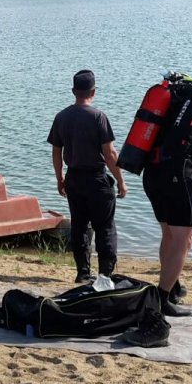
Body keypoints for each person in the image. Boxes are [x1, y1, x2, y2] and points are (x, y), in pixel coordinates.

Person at [125, 66, 192, 348]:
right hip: (176, 176)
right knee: (184, 239)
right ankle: (160, 304)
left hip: (152, 173)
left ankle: (169, 293)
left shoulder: (176, 98)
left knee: (169, 236)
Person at [48, 69, 128, 284]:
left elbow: (56, 152)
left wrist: (60, 178)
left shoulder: (61, 117)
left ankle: (83, 271)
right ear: (93, 91)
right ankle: (105, 274)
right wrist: (120, 180)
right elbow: (110, 153)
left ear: (74, 91)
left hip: (74, 178)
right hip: (96, 179)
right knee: (105, 227)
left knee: (79, 226)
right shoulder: (98, 117)